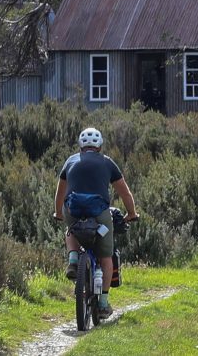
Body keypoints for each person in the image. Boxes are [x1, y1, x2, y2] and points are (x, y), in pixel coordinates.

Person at [54, 127, 138, 319]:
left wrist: (58, 212)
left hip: (73, 210)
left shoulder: (70, 161)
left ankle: (73, 260)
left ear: (80, 146)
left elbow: (60, 193)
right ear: (99, 146)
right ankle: (102, 304)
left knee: (71, 229)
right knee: (106, 257)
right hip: (99, 214)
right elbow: (125, 193)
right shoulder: (107, 163)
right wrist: (131, 213)